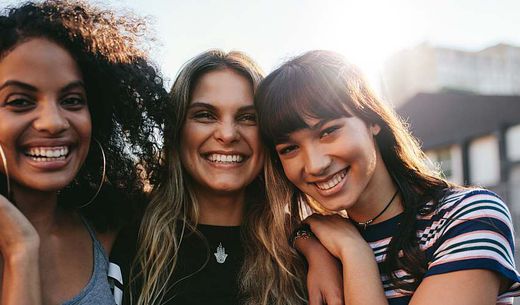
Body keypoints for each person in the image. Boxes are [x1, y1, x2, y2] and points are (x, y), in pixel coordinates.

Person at [254, 50, 520, 305]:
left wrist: (355, 254)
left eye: (328, 131)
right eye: (289, 148)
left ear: (372, 119)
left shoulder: (468, 216)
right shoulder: (317, 242)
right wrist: (308, 240)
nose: (314, 165)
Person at [128, 50, 343, 305]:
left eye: (248, 118)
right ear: (177, 130)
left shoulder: (309, 251)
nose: (228, 135)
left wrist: (313, 246)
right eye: (205, 115)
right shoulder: (127, 234)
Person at [0, 1, 165, 304]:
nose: (52, 122)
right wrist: (19, 251)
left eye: (72, 100)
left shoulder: (113, 230)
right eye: (20, 101)